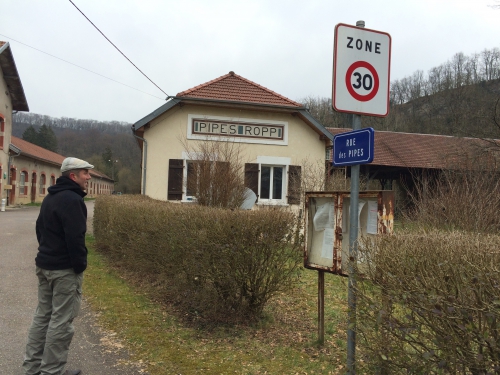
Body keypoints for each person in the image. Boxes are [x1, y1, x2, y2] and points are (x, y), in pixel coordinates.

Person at [22, 157, 93, 375]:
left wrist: (47, 252)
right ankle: (51, 371)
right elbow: (75, 238)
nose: (88, 177)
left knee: (42, 316)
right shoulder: (73, 200)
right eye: (85, 173)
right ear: (73, 176)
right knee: (61, 322)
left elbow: (39, 229)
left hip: (44, 265)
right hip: (64, 271)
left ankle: (32, 368)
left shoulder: (50, 198)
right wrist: (79, 265)